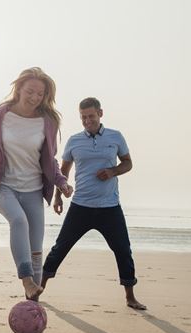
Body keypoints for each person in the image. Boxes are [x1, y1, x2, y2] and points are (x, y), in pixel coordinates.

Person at [0, 67, 73, 301]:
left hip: (34, 190)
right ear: (18, 89)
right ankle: (27, 281)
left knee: (36, 250)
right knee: (18, 221)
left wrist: (61, 183)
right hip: (3, 186)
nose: (35, 98)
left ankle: (33, 302)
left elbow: (50, 160)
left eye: (41, 94)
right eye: (30, 91)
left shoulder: (48, 121)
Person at [42, 97, 146, 310]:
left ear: (100, 113)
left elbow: (128, 163)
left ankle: (130, 297)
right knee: (60, 248)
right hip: (81, 206)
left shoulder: (115, 137)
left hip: (110, 208)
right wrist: (58, 196)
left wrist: (112, 171)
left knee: (123, 250)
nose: (87, 120)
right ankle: (38, 288)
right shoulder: (74, 141)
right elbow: (64, 172)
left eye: (90, 116)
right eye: (83, 117)